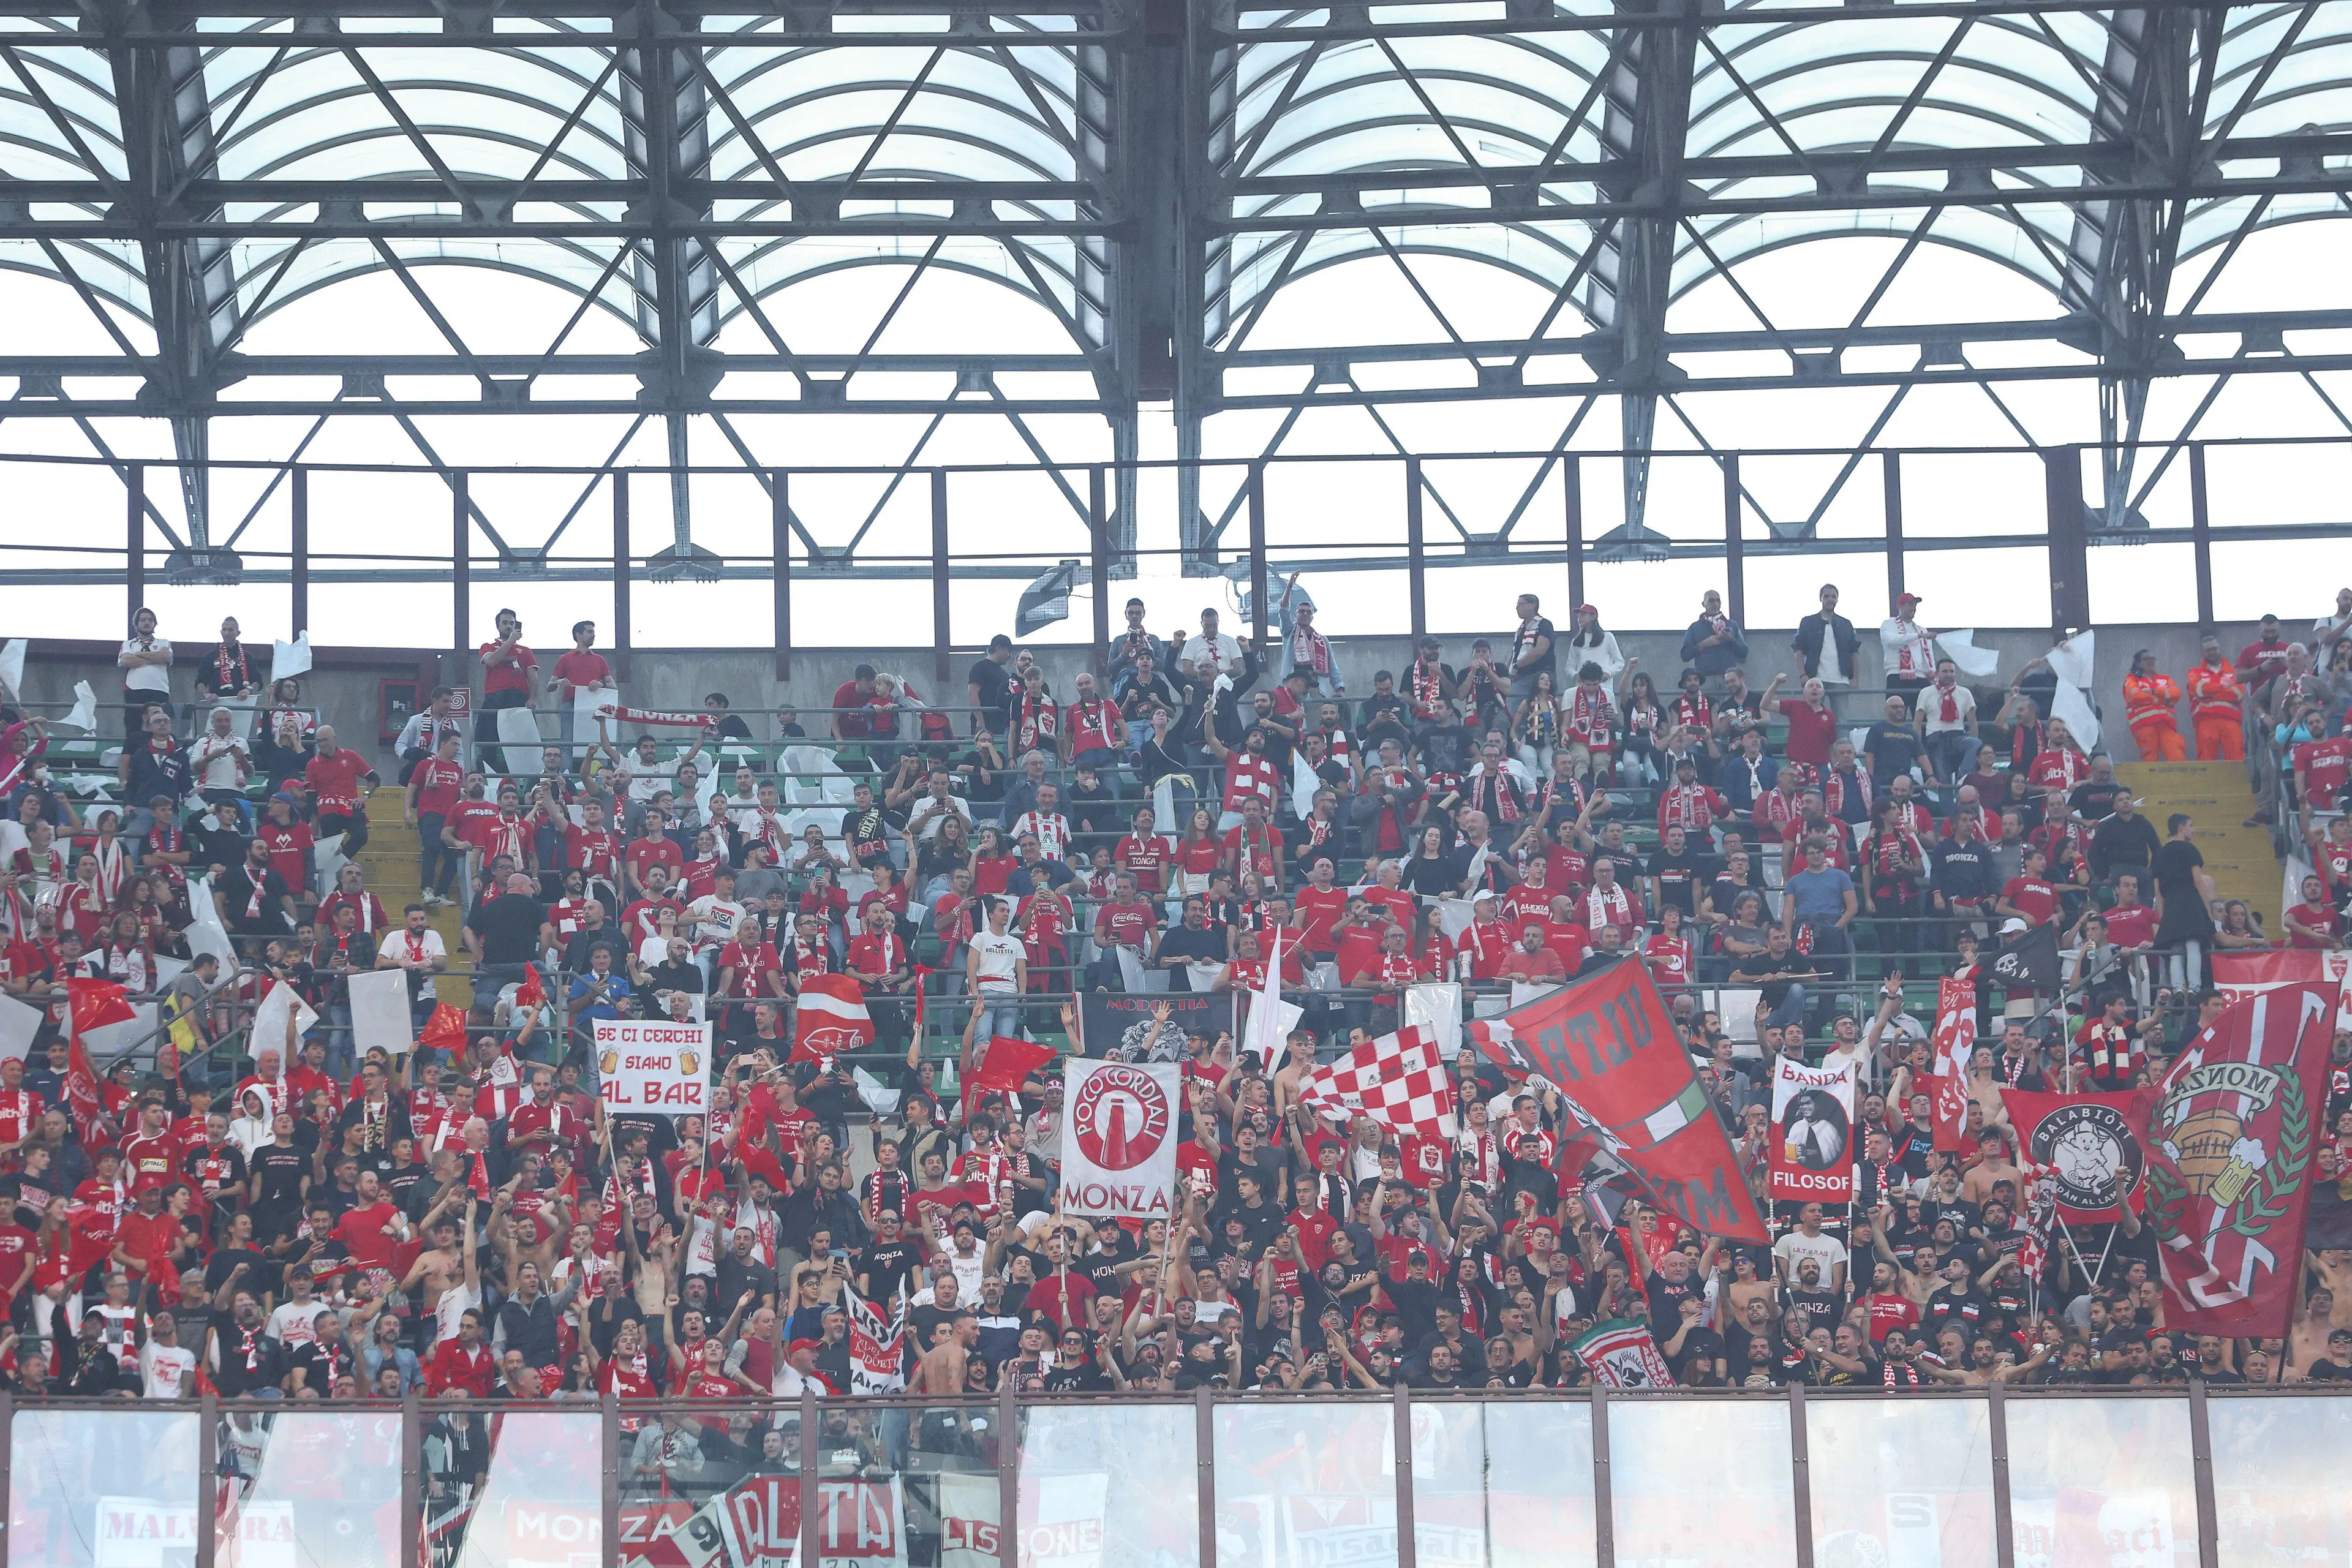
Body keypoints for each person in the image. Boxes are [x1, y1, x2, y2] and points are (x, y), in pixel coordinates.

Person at [1791, 583, 1860, 712]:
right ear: (1820, 598)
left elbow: (1855, 652)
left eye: (1833, 596)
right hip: (1815, 680)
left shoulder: (1846, 624)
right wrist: (1802, 675)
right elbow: (1798, 649)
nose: (1830, 599)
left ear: (1837, 599)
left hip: (1841, 681)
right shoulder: (1808, 622)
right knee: (1812, 719)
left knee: (1841, 723)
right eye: (1826, 596)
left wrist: (1855, 679)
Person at [2122, 650, 2186, 763]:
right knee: (2149, 760)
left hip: (2167, 726)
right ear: (2138, 663)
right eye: (2146, 659)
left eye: (2153, 658)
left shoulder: (2165, 679)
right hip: (2144, 726)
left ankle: (2179, 780)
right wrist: (2161, 698)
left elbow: (2176, 694)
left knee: (2177, 756)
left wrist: (2154, 691)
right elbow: (2135, 696)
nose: (2151, 661)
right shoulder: (2132, 679)